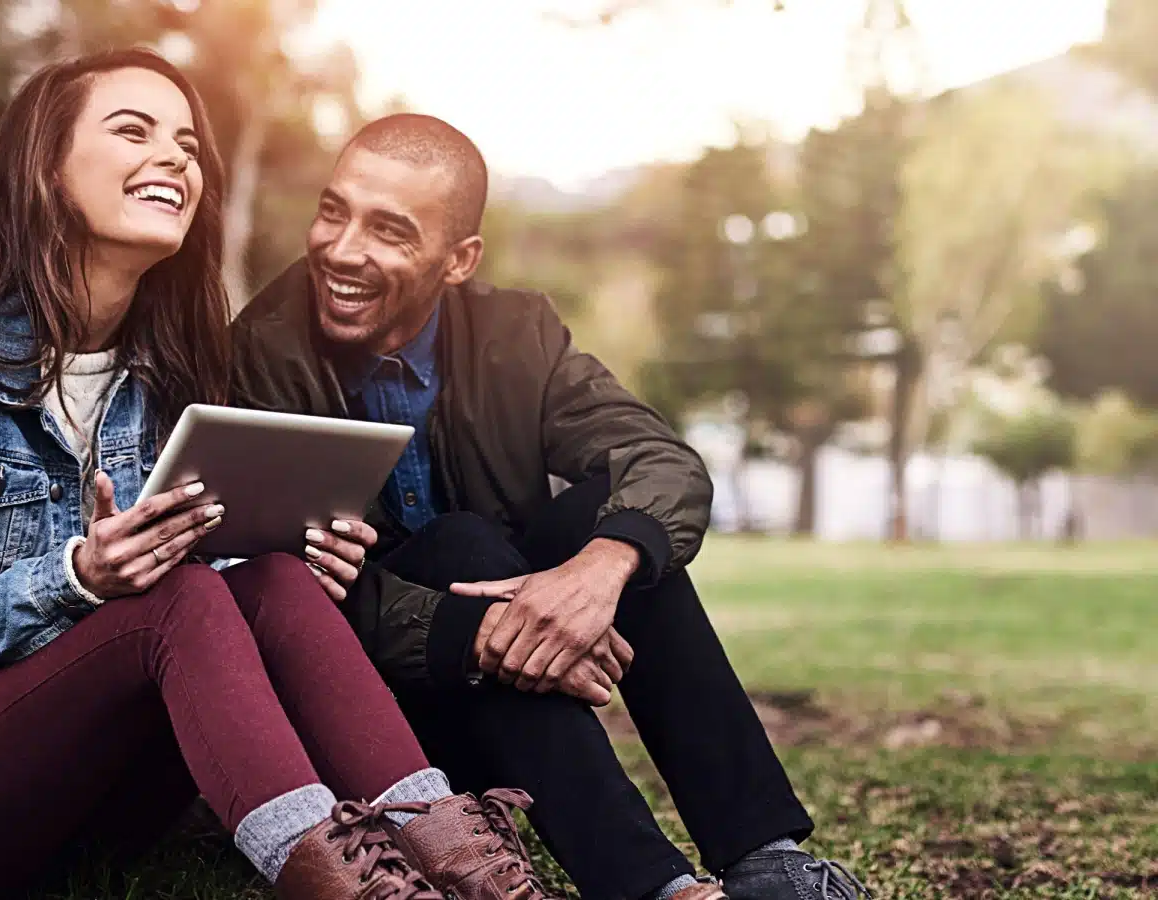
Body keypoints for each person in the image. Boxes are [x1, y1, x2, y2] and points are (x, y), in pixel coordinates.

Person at [0, 54, 551, 900]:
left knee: (267, 577)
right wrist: (78, 578)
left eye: (188, 144)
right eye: (133, 131)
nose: (176, 159)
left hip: (97, 798)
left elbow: (220, 607)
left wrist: (296, 558)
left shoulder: (171, 370)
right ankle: (351, 889)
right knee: (173, 600)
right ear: (47, 168)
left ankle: (466, 863)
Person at [233, 113, 873, 900]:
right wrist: (491, 629)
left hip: (519, 707)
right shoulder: (261, 354)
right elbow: (287, 590)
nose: (339, 248)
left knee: (611, 522)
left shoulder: (520, 334)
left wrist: (599, 573)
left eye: (389, 230)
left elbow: (662, 462)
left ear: (459, 259)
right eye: (333, 211)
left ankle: (762, 857)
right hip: (383, 726)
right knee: (460, 545)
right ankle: (653, 888)